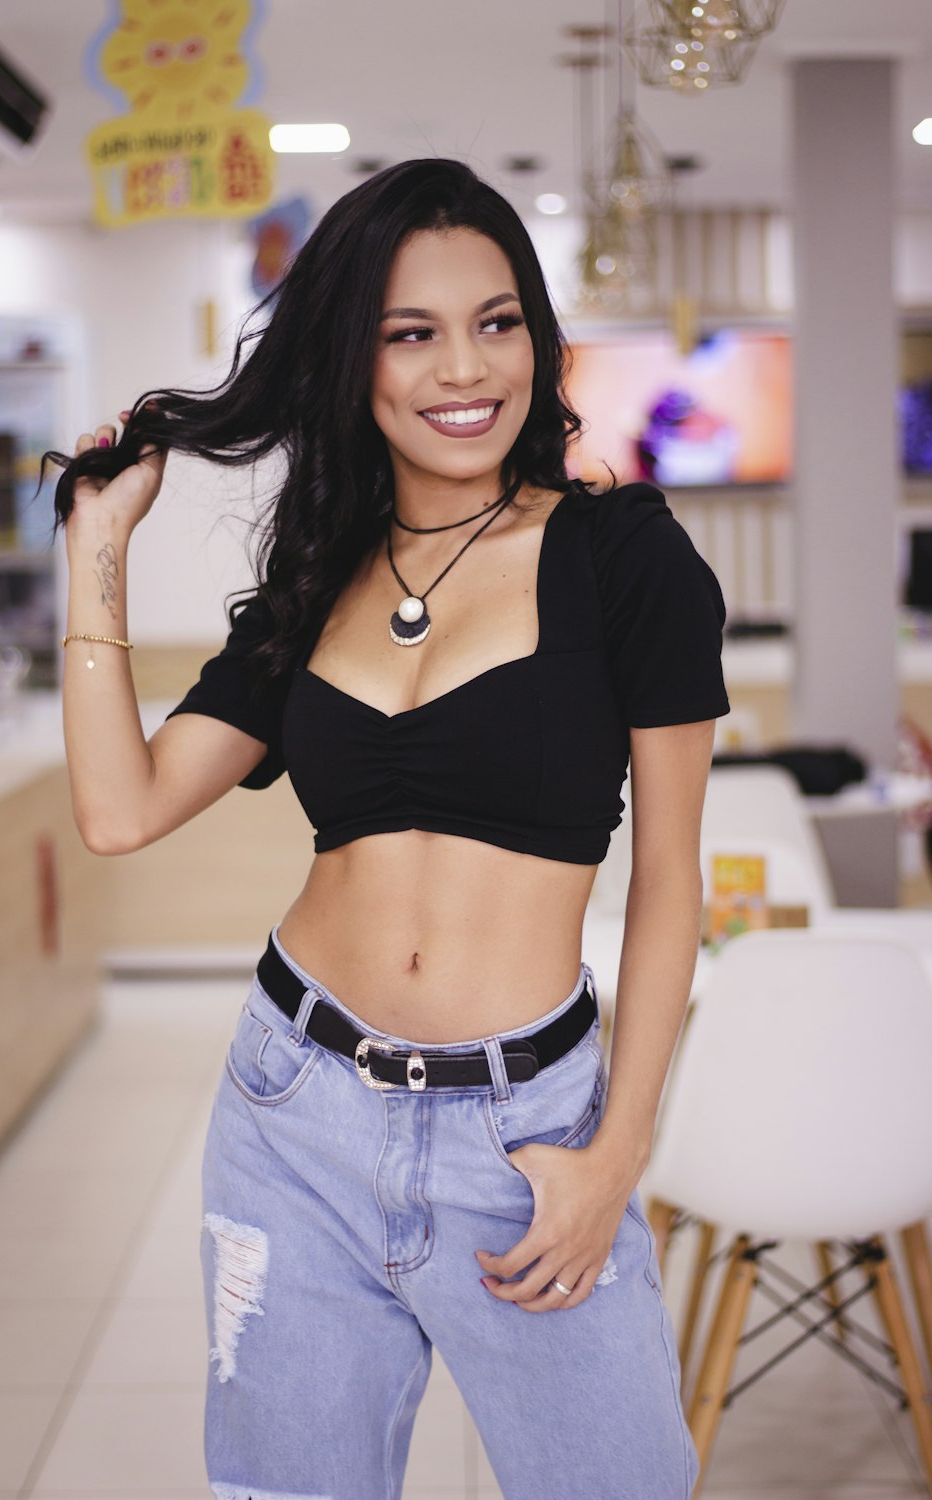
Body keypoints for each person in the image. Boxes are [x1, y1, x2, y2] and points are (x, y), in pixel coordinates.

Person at [48, 157, 730, 1500]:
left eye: (496, 321)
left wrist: (618, 1153)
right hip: (293, 1111)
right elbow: (120, 811)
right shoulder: (314, 581)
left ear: (537, 336)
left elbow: (670, 883)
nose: (462, 368)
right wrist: (99, 550)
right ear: (348, 362)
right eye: (409, 334)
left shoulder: (625, 559)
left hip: (528, 1131)